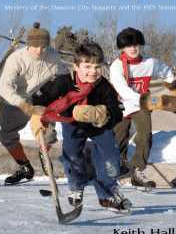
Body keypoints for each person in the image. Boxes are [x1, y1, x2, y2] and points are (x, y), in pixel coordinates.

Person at [30, 42, 132, 213]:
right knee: (72, 157)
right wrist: (36, 114)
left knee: (109, 158)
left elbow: (117, 111)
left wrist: (101, 113)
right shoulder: (63, 82)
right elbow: (40, 98)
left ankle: (107, 195)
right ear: (76, 67)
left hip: (100, 127)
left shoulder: (104, 87)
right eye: (88, 66)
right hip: (72, 125)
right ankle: (76, 186)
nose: (93, 71)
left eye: (97, 66)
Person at [110, 27, 176, 191]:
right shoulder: (116, 66)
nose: (133, 48)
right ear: (123, 48)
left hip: (141, 106)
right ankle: (117, 167)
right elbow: (124, 91)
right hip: (122, 104)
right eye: (129, 45)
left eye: (136, 44)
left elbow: (167, 72)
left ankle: (138, 171)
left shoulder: (149, 63)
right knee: (119, 138)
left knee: (145, 136)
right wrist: (151, 101)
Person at [0, 22, 69, 184]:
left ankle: (44, 153)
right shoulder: (16, 59)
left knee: (49, 134)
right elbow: (4, 87)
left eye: (43, 46)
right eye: (35, 46)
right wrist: (22, 103)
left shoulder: (53, 57)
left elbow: (65, 76)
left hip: (40, 100)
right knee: (7, 136)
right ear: (28, 44)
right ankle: (25, 167)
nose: (39, 50)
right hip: (17, 100)